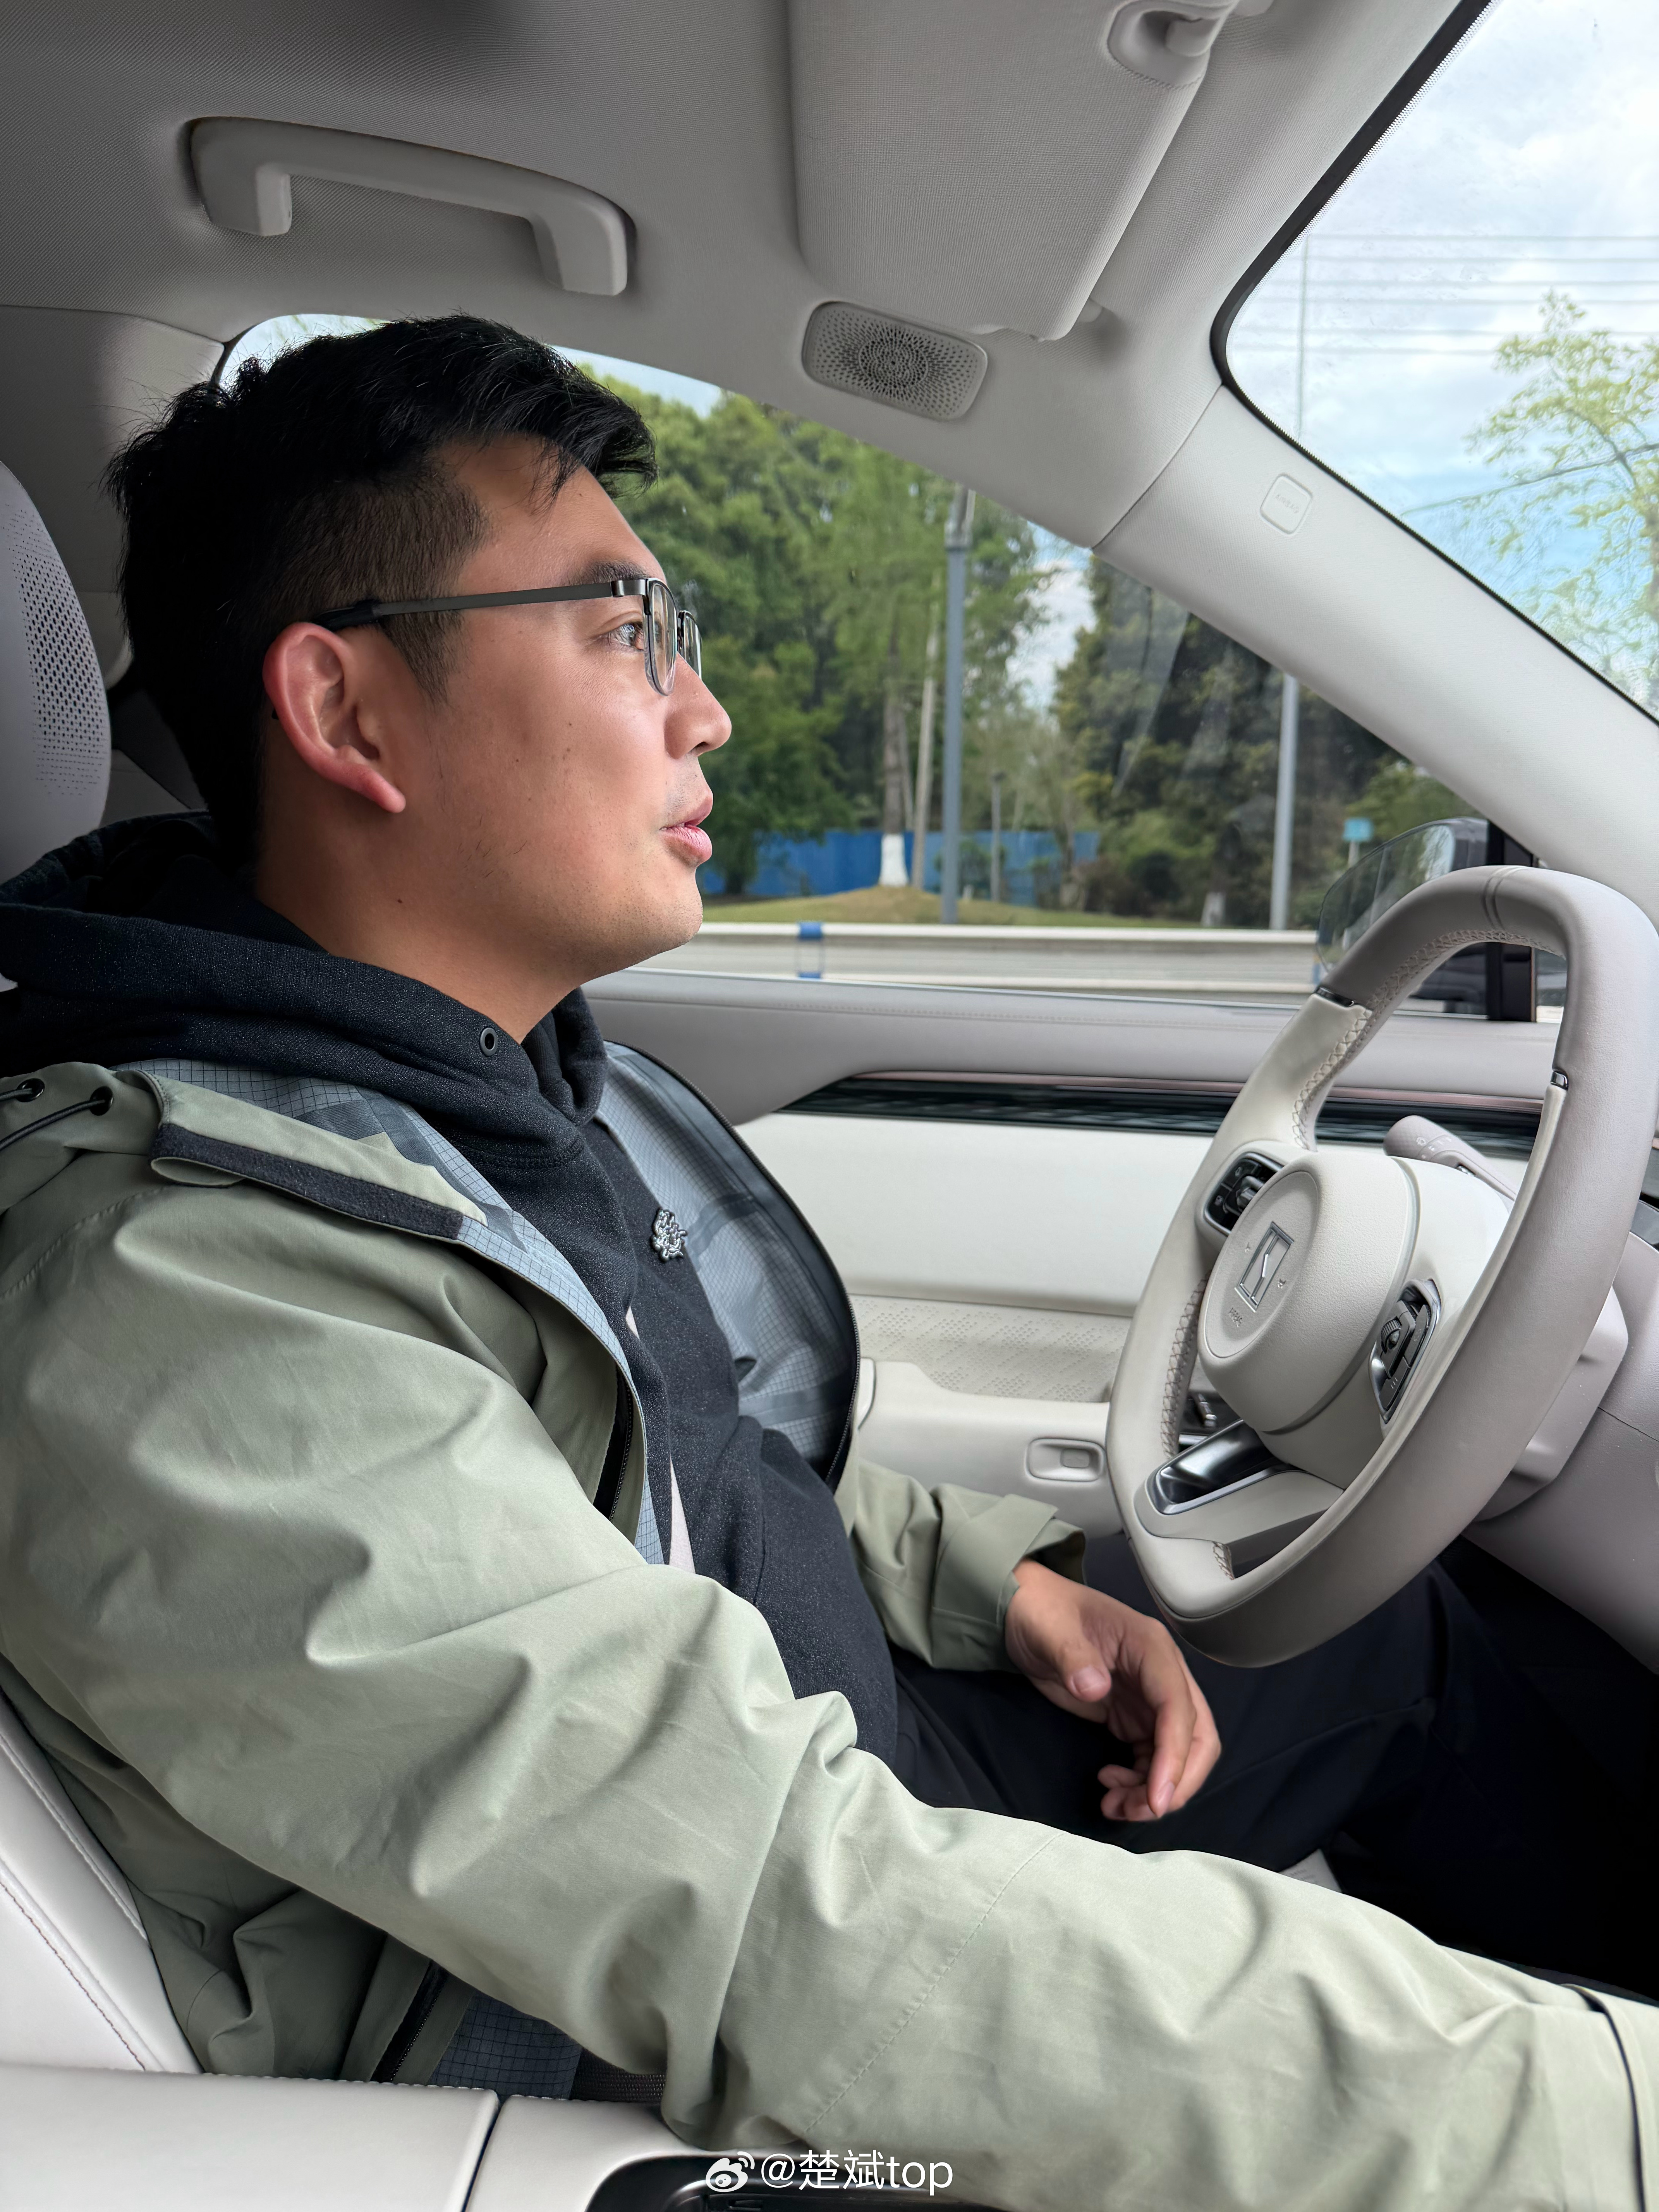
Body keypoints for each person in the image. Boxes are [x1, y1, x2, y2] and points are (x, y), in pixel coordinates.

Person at [0, 314, 1655, 2209]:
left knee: (1385, 1640)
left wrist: (987, 1578)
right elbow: (796, 1925)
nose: (701, 710)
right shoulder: (184, 1289)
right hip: (628, 2031)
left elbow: (648, 1449)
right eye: (624, 630)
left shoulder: (443, 1088)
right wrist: (1601, 2120)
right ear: (347, 712)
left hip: (818, 1735)